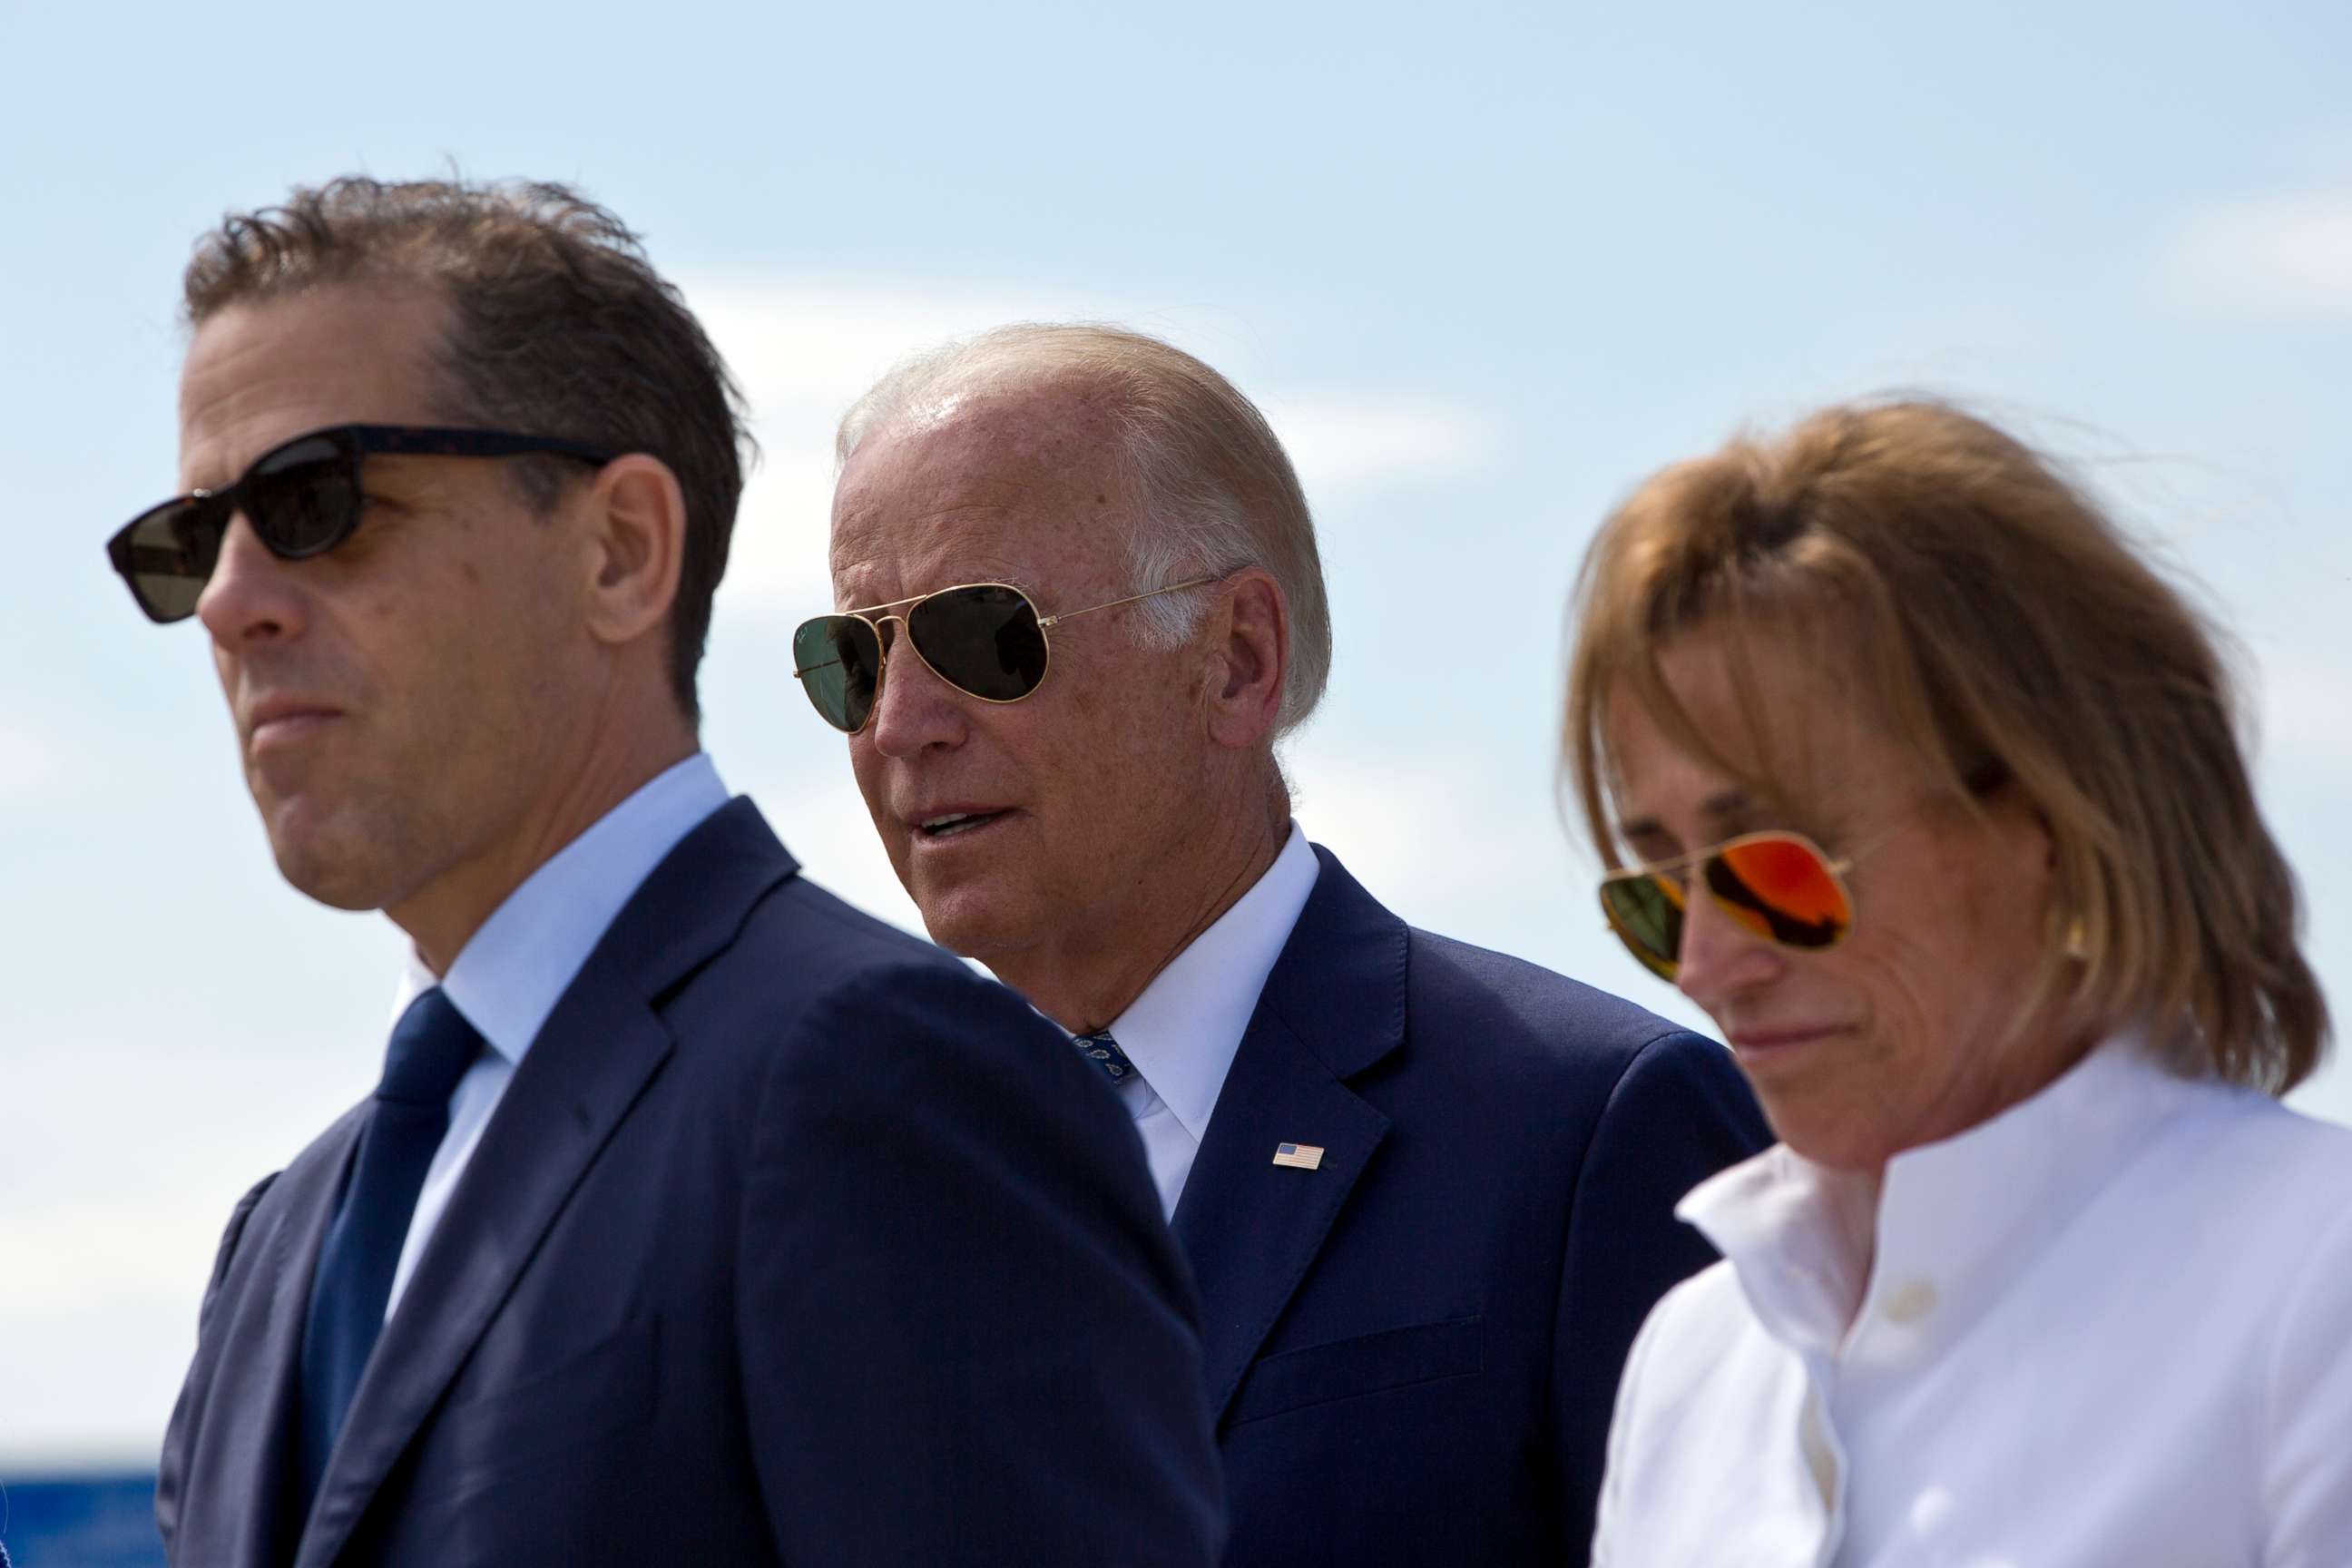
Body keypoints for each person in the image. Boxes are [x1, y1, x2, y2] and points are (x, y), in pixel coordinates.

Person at [116, 179, 1223, 1568]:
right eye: (188, 541)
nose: (228, 599)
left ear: (621, 551)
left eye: (314, 502)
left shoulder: (882, 1086)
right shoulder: (282, 1245)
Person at [797, 323, 1770, 1568]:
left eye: (982, 636)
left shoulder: (1593, 1132)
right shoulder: (856, 1192)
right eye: (855, 657)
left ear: (1238, 660)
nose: (901, 724)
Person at [1564, 399, 2352, 1564]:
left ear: (2051, 815)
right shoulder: (1698, 1360)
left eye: (1777, 865)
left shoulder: (2315, 1284)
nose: (1705, 967)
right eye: (1658, 891)